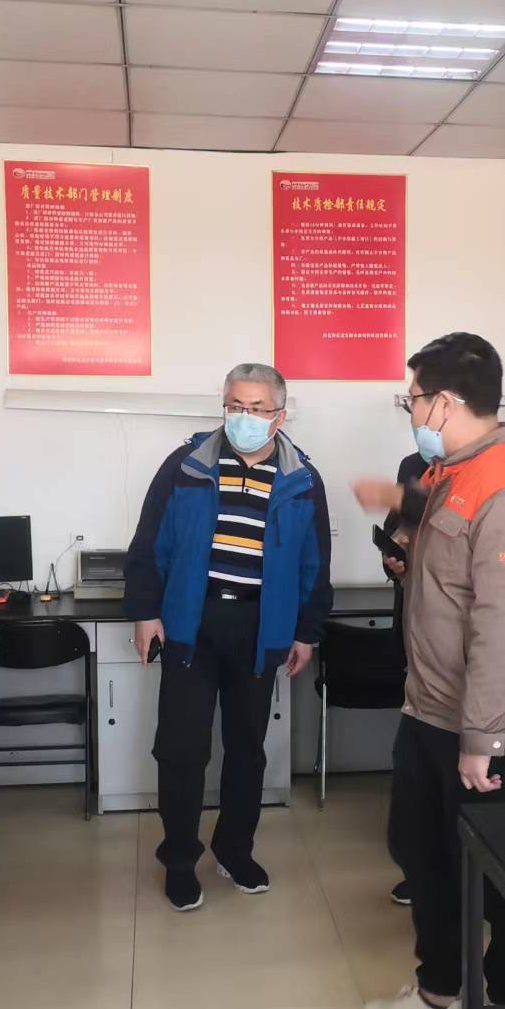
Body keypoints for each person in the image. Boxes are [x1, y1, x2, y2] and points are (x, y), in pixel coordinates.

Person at [357, 333, 505, 1009]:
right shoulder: (450, 474)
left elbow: (503, 628)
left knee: (500, 877)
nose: (411, 412)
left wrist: (482, 738)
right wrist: (398, 511)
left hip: (486, 729)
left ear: (444, 402)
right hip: (430, 709)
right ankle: (439, 995)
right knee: (425, 857)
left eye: (413, 399)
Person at [125, 364, 332, 912]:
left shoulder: (303, 479)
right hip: (191, 624)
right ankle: (179, 860)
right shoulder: (185, 466)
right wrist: (145, 613)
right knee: (181, 749)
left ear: (279, 415)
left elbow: (315, 563)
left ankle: (235, 850)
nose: (244, 416)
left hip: (260, 629)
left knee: (247, 750)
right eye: (236, 405)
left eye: (257, 408)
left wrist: (306, 632)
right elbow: (149, 544)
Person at [355, 451, 429, 908]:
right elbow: (398, 528)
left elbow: (453, 521)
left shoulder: (484, 474)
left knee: (448, 768)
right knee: (415, 762)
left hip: (456, 644)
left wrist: (392, 494)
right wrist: (394, 558)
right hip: (415, 631)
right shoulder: (413, 465)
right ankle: (421, 871)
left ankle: (452, 877)